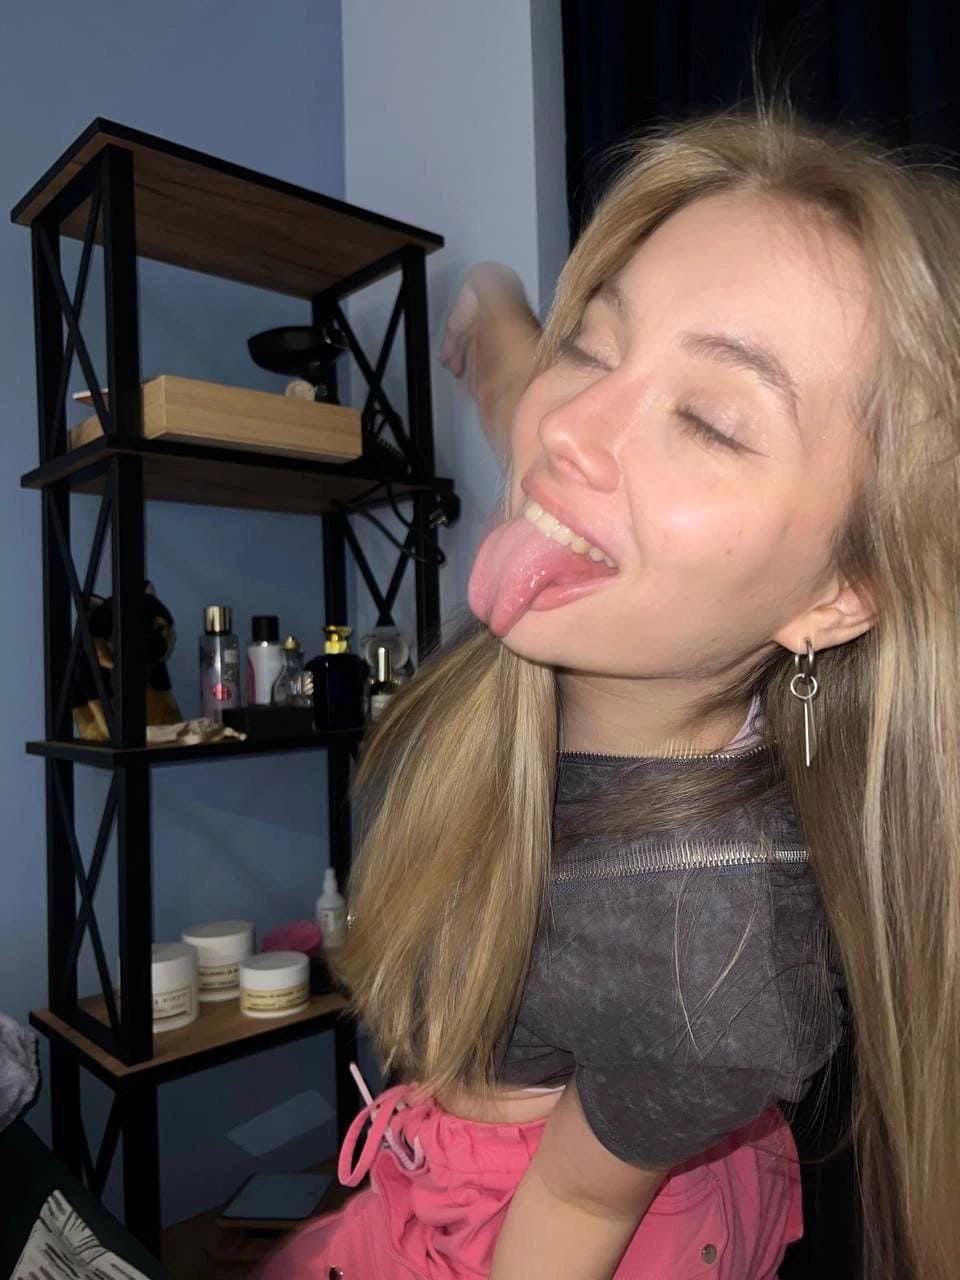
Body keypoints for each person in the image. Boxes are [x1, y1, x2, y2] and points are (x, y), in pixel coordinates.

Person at [262, 108, 960, 1279]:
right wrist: (504, 326)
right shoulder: (593, 547)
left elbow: (572, 1215)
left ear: (839, 595)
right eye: (591, 344)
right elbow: (537, 415)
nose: (566, 430)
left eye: (709, 421)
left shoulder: (711, 969)